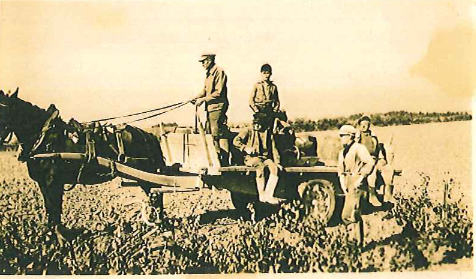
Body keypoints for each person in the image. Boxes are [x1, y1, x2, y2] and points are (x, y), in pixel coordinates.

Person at [337, 125, 376, 246]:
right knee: (352, 215)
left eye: (343, 136)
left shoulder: (359, 148)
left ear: (350, 136)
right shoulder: (342, 152)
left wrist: (361, 177)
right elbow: (340, 170)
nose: (341, 138)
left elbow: (370, 162)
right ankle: (356, 243)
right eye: (341, 136)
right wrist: (343, 183)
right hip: (348, 183)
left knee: (349, 215)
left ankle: (356, 243)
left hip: (357, 183)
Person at [233, 112, 283, 204]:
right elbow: (236, 141)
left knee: (274, 168)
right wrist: (245, 148)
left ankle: (269, 195)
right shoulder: (248, 130)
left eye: (259, 124)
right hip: (251, 158)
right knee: (260, 167)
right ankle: (262, 195)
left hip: (264, 158)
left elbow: (273, 148)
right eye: (255, 124)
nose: (256, 126)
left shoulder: (268, 133)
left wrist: (277, 162)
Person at [192, 53, 230, 163]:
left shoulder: (219, 72)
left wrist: (203, 100)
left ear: (209, 60)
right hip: (211, 108)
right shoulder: (209, 74)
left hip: (218, 108)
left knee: (217, 134)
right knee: (211, 134)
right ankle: (217, 160)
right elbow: (205, 91)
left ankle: (223, 162)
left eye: (203, 62)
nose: (202, 64)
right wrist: (195, 97)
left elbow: (218, 92)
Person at [356, 115, 396, 204]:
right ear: (359, 126)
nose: (364, 127)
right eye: (362, 125)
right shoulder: (357, 137)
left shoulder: (373, 136)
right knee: (372, 173)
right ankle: (372, 195)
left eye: (366, 125)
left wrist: (382, 159)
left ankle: (388, 195)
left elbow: (378, 149)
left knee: (388, 170)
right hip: (364, 161)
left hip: (375, 159)